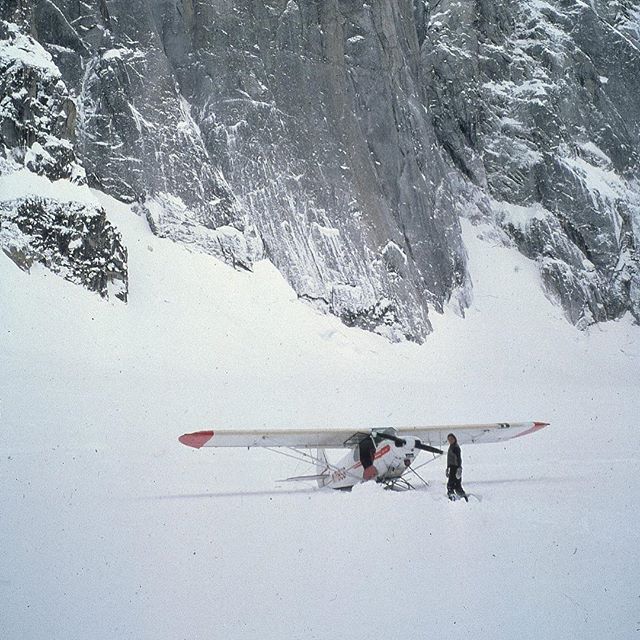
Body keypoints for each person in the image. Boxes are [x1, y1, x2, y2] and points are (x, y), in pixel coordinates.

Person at [446, 433, 468, 501]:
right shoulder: (451, 447)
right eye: (449, 439)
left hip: (455, 467)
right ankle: (461, 495)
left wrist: (459, 468)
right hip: (451, 467)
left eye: (451, 439)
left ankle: (455, 495)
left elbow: (458, 458)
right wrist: (447, 468)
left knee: (452, 484)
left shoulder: (455, 447)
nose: (450, 440)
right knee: (456, 484)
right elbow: (449, 459)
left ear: (455, 439)